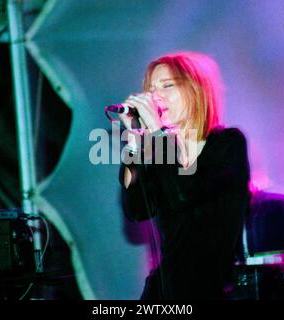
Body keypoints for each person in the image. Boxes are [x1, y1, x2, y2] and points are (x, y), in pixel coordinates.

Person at [117, 51, 251, 299]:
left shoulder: (227, 144)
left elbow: (183, 193)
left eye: (167, 86)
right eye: (152, 89)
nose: (156, 96)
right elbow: (136, 210)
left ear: (196, 90)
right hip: (162, 291)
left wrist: (157, 134)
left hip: (210, 290)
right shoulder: (160, 152)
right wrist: (135, 142)